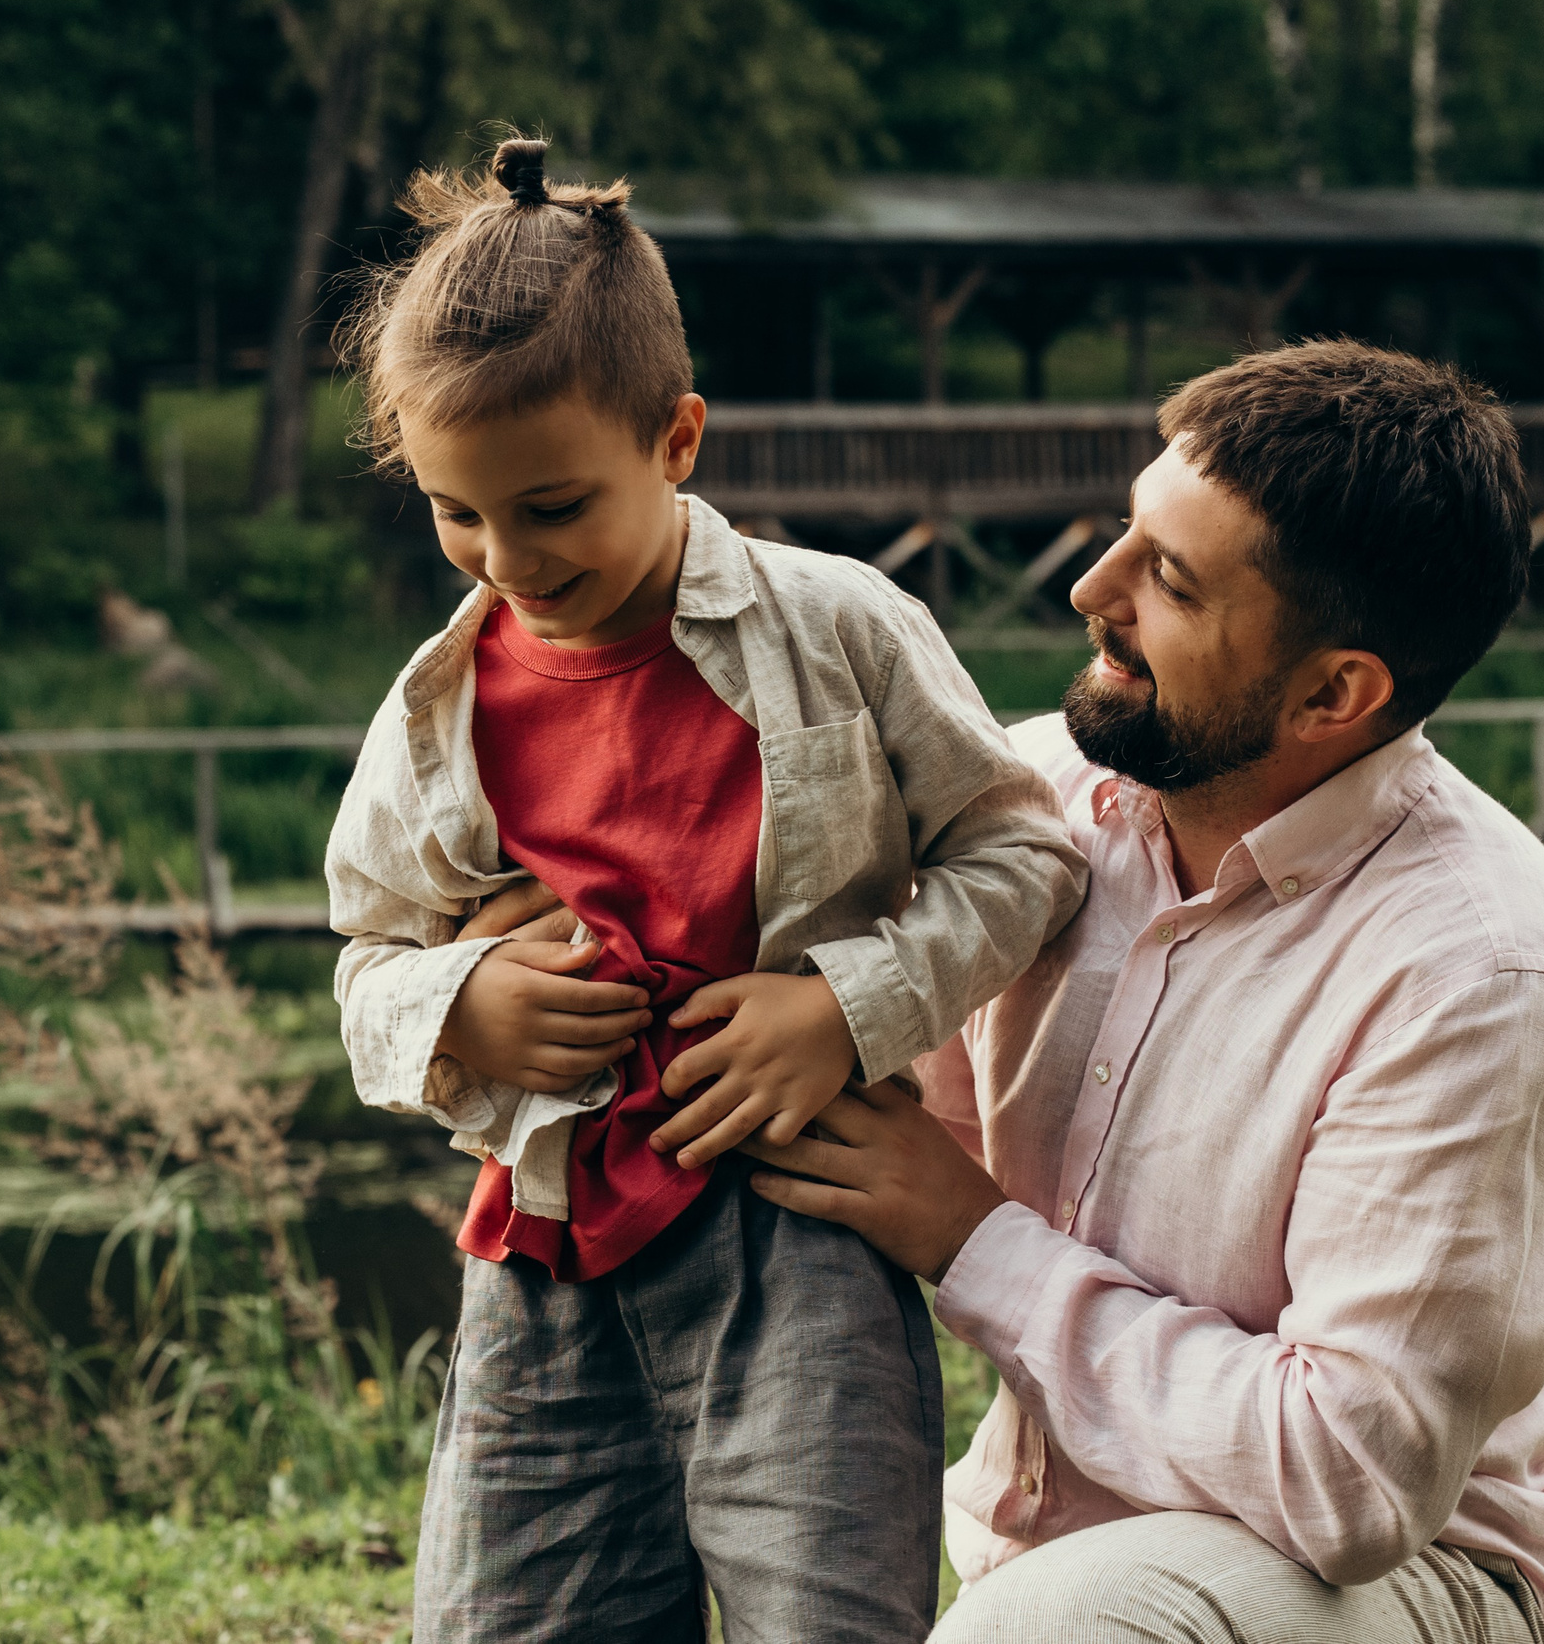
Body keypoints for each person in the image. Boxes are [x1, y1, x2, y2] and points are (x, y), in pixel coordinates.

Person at [742, 339, 1544, 1644]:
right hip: (1068, 1579)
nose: (1090, 589)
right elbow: (838, 1059)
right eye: (1128, 531)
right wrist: (513, 948)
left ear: (1334, 693)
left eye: (1168, 580)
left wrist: (972, 1238)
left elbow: (1348, 1481)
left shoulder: (1477, 974)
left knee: (1055, 1634)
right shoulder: (1030, 813)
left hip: (1422, 1587)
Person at [322, 137, 1087, 1644]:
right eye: (457, 513)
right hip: (540, 1250)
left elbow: (1025, 855)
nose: (505, 559)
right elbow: (366, 958)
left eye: (553, 507)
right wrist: (460, 1002)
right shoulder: (437, 704)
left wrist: (842, 1010)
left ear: (675, 440)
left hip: (800, 1228)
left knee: (826, 1615)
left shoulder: (840, 628)